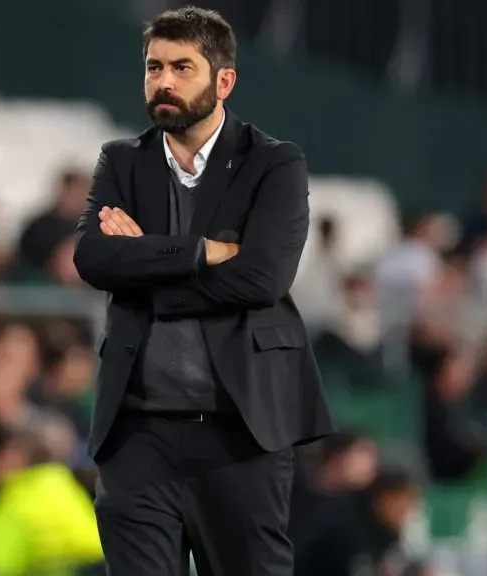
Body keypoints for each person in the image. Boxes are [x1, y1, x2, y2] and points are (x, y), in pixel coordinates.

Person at [72, 6, 333, 575]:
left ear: (223, 80)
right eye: (153, 67)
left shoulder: (275, 163)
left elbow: (263, 278)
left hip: (240, 432)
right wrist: (200, 251)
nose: (163, 81)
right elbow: (92, 258)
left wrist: (145, 263)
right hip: (137, 437)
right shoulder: (120, 161)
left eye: (181, 67)